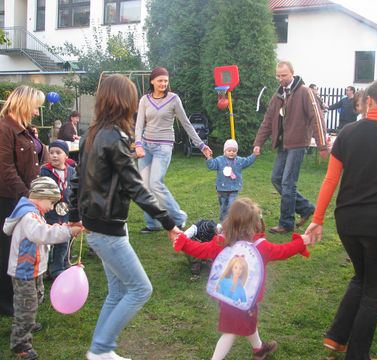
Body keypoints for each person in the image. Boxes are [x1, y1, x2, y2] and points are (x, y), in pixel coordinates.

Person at [305, 79, 377, 359]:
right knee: (375, 290)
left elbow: (331, 180)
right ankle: (357, 355)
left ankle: (337, 337)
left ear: (369, 102)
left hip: (349, 222)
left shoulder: (347, 133)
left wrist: (317, 218)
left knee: (362, 277)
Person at [68, 74, 180, 360]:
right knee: (141, 289)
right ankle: (101, 349)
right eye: (131, 98)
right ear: (123, 101)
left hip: (100, 226)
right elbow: (136, 187)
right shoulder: (114, 138)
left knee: (117, 292)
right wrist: (169, 222)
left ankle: (101, 351)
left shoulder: (92, 133)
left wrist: (73, 214)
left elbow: (76, 182)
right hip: (106, 231)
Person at [172, 197, 311, 360]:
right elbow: (283, 250)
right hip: (243, 298)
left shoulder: (222, 242)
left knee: (248, 322)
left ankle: (259, 349)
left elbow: (201, 250)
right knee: (231, 332)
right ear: (254, 224)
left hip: (226, 296)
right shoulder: (260, 248)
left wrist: (184, 243)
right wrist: (302, 242)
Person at [4, 177, 82, 360]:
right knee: (27, 305)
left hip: (33, 268)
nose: (51, 206)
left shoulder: (34, 213)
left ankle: (24, 322)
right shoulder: (29, 216)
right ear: (40, 197)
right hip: (24, 271)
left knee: (35, 298)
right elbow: (43, 234)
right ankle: (20, 345)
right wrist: (68, 232)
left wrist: (65, 226)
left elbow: (45, 228)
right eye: (51, 202)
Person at [0, 85, 48, 316]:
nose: (36, 113)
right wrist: (28, 198)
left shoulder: (25, 130)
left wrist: (35, 141)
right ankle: (5, 302)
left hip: (24, 197)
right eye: (35, 107)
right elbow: (7, 171)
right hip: (9, 198)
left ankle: (22, 293)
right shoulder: (2, 131)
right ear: (24, 104)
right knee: (7, 248)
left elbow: (38, 158)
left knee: (23, 246)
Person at [253, 60, 328, 234]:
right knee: (276, 178)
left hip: (298, 144)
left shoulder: (305, 92)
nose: (281, 79)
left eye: (284, 75)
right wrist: (258, 143)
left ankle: (286, 223)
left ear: (292, 73)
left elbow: (316, 117)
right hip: (283, 144)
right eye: (278, 75)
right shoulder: (278, 96)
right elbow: (267, 121)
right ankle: (307, 208)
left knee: (287, 182)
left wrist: (322, 145)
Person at [135, 66, 212, 233]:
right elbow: (139, 124)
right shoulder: (144, 100)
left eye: (165, 81)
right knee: (145, 186)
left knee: (155, 183)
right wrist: (138, 143)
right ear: (152, 81)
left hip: (163, 146)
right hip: (146, 146)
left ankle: (178, 217)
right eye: (160, 80)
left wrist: (201, 144)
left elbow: (186, 123)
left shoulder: (173, 99)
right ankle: (153, 223)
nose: (163, 83)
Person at [40, 140, 76, 279]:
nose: (54, 156)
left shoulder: (72, 171)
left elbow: (74, 190)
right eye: (51, 152)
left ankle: (58, 268)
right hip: (50, 212)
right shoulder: (45, 171)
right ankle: (44, 268)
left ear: (66, 155)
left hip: (66, 212)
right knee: (47, 241)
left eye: (58, 153)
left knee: (63, 240)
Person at [206, 139, 257, 221]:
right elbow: (212, 165)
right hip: (222, 189)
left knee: (231, 205)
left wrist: (254, 155)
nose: (231, 152)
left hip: (234, 188)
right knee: (223, 207)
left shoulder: (239, 161)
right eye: (229, 150)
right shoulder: (219, 160)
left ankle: (231, 221)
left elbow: (248, 161)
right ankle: (223, 222)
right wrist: (209, 157)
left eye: (234, 151)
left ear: (236, 152)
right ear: (225, 151)